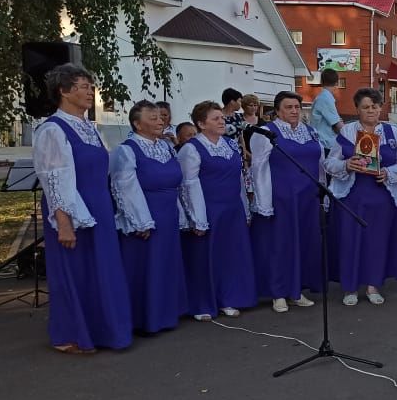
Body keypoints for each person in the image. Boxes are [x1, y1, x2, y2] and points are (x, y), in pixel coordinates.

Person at [32, 64, 132, 353]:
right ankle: (69, 335)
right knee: (73, 271)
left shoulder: (90, 127)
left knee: (100, 270)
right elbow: (54, 178)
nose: (90, 92)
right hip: (70, 208)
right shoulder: (52, 129)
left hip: (98, 206)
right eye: (83, 86)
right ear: (63, 91)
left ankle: (103, 330)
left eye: (91, 86)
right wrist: (63, 222)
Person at [324, 86, 397, 305]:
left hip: (381, 196)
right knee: (350, 241)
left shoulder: (391, 132)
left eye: (374, 106)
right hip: (353, 196)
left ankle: (373, 286)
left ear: (381, 108)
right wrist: (347, 164)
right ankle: (350, 288)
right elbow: (329, 163)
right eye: (365, 107)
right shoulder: (347, 132)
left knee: (377, 242)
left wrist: (388, 172)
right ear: (357, 110)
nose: (370, 110)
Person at [110, 100, 189, 333]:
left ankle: (166, 314)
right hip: (146, 215)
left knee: (165, 265)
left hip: (168, 214)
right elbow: (125, 188)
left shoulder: (165, 147)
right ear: (137, 123)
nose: (160, 121)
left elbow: (176, 182)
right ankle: (145, 319)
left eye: (161, 117)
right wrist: (140, 221)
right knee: (146, 267)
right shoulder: (126, 150)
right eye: (152, 118)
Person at [179, 100, 258, 321]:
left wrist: (245, 208)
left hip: (232, 208)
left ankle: (229, 298)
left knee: (230, 255)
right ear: (201, 124)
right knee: (206, 256)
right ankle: (203, 303)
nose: (222, 121)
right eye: (215, 118)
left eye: (221, 118)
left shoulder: (231, 145)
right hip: (209, 209)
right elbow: (188, 184)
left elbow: (240, 179)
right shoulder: (191, 149)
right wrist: (197, 218)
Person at [248, 91, 324, 312]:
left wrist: (322, 191)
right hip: (281, 197)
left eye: (297, 107)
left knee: (302, 243)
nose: (294, 111)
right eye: (289, 107)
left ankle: (296, 289)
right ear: (278, 110)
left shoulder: (310, 131)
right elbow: (259, 168)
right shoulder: (266, 132)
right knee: (280, 244)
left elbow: (319, 163)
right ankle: (278, 292)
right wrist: (264, 202)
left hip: (307, 197)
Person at [311, 69, 344, 152]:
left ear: (322, 82)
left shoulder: (322, 97)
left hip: (322, 142)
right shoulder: (326, 98)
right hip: (325, 143)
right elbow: (338, 124)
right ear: (337, 83)